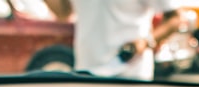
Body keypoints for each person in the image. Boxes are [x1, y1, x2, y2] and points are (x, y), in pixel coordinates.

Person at [45, 0, 185, 81]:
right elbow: (63, 12)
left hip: (129, 74)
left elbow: (175, 18)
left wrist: (146, 41)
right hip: (86, 72)